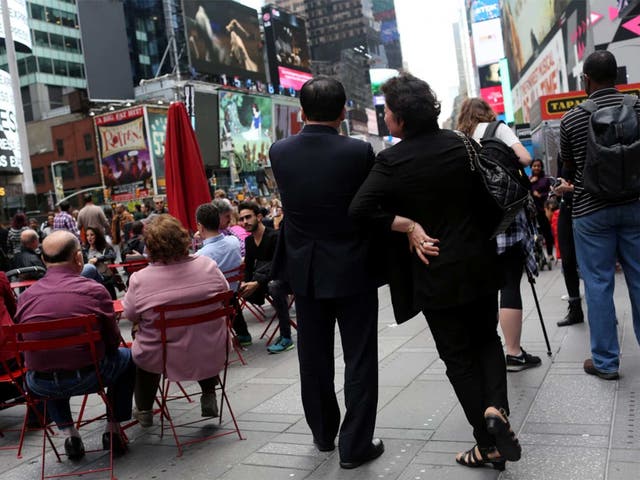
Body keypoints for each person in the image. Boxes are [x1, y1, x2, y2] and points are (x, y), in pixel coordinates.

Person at [350, 73, 521, 471]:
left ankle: (486, 442)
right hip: (478, 260)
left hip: (433, 268)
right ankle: (497, 407)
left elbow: (359, 209)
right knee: (487, 340)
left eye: (389, 111)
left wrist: (408, 225)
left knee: (458, 358)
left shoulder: (390, 161)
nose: (387, 117)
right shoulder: (461, 143)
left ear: (401, 120)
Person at [269, 76, 383, 468]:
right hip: (354, 267)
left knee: (313, 356)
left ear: (301, 112)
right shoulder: (358, 151)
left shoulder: (279, 152)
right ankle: (355, 446)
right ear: (343, 111)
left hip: (305, 268)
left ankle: (322, 434)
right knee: (360, 358)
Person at [14, 231, 135, 459]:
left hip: (41, 384)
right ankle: (113, 429)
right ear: (78, 258)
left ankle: (70, 433)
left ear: (43, 261)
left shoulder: (25, 298)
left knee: (48, 363)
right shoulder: (95, 291)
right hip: (92, 375)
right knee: (128, 359)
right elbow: (112, 341)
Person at [559, 50, 640, 379]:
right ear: (618, 77)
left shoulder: (571, 119)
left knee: (597, 284)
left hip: (591, 212)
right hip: (636, 206)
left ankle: (606, 362)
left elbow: (569, 168)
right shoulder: (637, 106)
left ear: (586, 81)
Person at [457, 97, 541, 373]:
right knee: (509, 284)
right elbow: (527, 158)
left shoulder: (460, 138)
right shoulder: (497, 129)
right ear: (487, 113)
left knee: (485, 287)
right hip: (506, 216)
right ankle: (513, 352)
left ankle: (483, 350)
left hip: (477, 222)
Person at [122, 215, 230, 427]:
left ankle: (144, 409)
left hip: (163, 355)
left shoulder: (140, 279)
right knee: (197, 333)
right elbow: (226, 293)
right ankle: (208, 393)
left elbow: (130, 314)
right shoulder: (208, 265)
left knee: (144, 350)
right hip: (211, 347)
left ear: (150, 245)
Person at [237, 201, 294, 354]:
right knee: (233, 290)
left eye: (248, 217)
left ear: (259, 217)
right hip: (263, 280)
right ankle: (242, 334)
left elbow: (278, 265)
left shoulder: (274, 236)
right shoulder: (249, 241)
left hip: (284, 279)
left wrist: (256, 282)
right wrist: (245, 282)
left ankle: (286, 337)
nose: (245, 222)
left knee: (275, 287)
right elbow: (248, 267)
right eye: (242, 219)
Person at [552, 155, 584, 327]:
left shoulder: (588, 145)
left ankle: (603, 309)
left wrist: (571, 188)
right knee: (567, 259)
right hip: (566, 208)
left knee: (592, 262)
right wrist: (557, 188)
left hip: (587, 208)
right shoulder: (562, 153)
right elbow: (560, 177)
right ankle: (575, 309)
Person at [529, 159, 555, 258]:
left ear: (541, 167)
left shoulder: (545, 179)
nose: (536, 168)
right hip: (532, 211)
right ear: (531, 167)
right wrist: (530, 182)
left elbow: (550, 193)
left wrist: (540, 195)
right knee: (533, 233)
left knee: (547, 232)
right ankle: (536, 254)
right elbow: (525, 191)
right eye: (534, 166)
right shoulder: (529, 179)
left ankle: (549, 254)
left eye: (538, 166)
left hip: (544, 210)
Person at [83, 227, 118, 299]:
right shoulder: (85, 250)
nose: (89, 237)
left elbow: (112, 255)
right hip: (93, 283)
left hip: (107, 280)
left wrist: (98, 259)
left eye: (92, 235)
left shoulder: (104, 246)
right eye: (87, 235)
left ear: (97, 235)